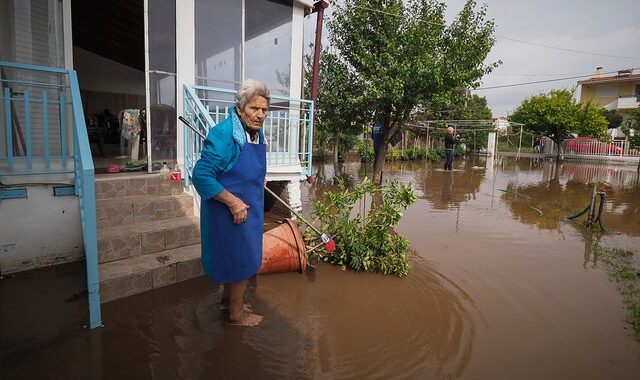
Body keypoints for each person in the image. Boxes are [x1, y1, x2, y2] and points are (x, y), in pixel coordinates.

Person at [192, 79, 270, 327]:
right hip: (231, 211)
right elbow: (202, 175)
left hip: (251, 208)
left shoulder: (255, 133)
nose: (259, 115)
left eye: (264, 110)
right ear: (240, 108)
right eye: (254, 109)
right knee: (240, 260)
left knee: (238, 258)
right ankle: (237, 315)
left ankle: (227, 301)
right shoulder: (225, 134)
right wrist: (233, 202)